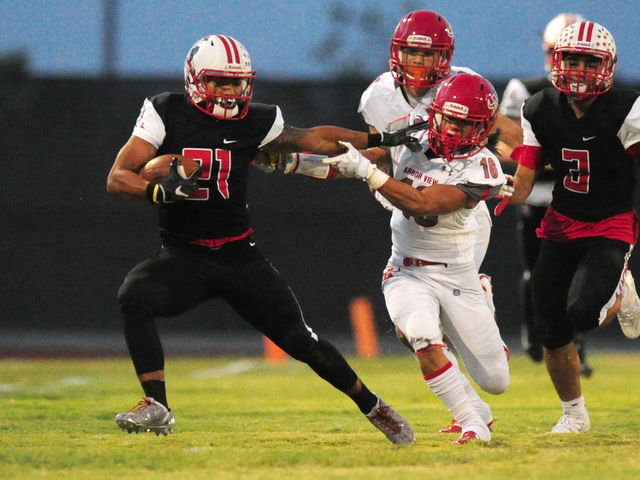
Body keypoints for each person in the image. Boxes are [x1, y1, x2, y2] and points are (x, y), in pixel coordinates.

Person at [106, 34, 420, 443]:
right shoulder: (166, 111)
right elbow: (118, 177)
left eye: (236, 83)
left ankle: (375, 407)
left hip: (239, 256)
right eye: (218, 81)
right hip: (184, 256)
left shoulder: (256, 119)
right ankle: (156, 405)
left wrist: (380, 139)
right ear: (195, 79)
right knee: (135, 295)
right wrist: (159, 190)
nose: (229, 91)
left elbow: (315, 138)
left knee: (302, 341)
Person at [357, 9, 522, 436]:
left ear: (445, 59)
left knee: (494, 377)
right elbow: (382, 151)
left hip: (459, 219)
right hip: (410, 206)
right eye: (410, 52)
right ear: (395, 52)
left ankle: (474, 299)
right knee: (413, 326)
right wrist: (381, 180)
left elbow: (509, 139)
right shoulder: (378, 97)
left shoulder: (463, 87)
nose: (417, 64)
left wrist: (496, 174)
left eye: (426, 56)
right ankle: (466, 409)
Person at [325, 73, 511, 445]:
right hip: (406, 270)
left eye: (465, 123)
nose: (454, 129)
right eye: (449, 118)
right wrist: (294, 163)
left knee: (496, 381)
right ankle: (472, 420)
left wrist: (371, 176)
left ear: (482, 128)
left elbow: (425, 204)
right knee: (421, 335)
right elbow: (358, 156)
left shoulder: (483, 167)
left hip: (457, 274)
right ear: (435, 113)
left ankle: (482, 296)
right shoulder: (411, 137)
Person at [500, 21, 640, 433]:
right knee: (550, 325)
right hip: (560, 226)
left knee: (582, 314)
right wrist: (495, 189)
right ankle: (574, 415)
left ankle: (623, 288)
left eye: (588, 61)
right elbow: (525, 183)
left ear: (607, 66)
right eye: (571, 60)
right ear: (556, 61)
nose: (578, 70)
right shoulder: (539, 107)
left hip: (609, 226)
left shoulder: (626, 108)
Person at [500, 13, 594, 377]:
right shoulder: (526, 90)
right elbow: (503, 146)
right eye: (567, 55)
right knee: (537, 274)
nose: (576, 66)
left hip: (582, 199)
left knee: (580, 277)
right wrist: (550, 158)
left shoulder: (604, 98)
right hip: (538, 197)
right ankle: (534, 330)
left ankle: (576, 347)